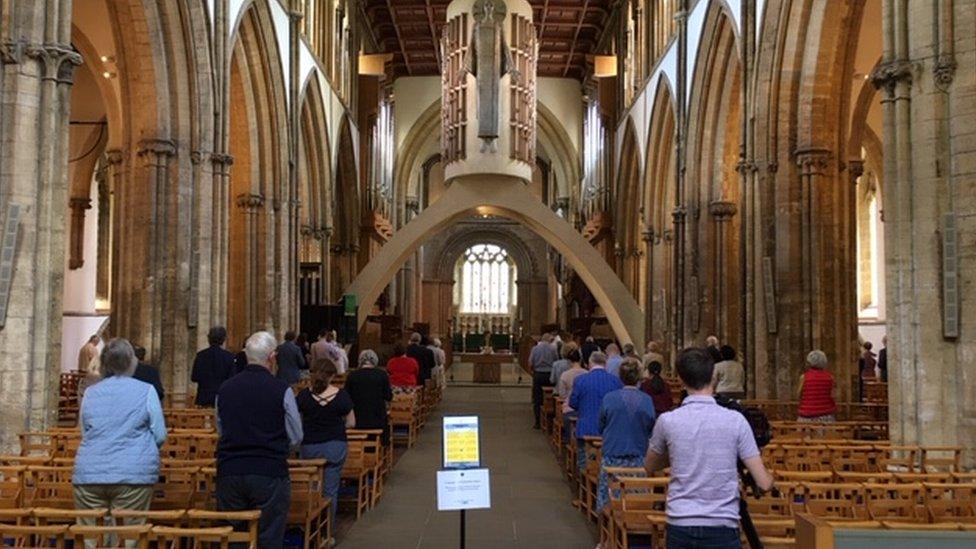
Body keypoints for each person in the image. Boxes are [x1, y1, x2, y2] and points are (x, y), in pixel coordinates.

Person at [645, 347, 773, 549]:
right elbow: (764, 483)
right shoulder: (735, 421)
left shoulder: (668, 421)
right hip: (721, 523)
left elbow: (650, 465)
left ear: (680, 380)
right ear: (714, 377)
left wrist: (677, 452)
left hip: (681, 522)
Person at [215, 331, 302, 549]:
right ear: (272, 357)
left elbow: (221, 429)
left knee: (234, 536)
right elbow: (296, 436)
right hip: (269, 471)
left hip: (230, 471)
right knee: (268, 535)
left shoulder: (224, 389)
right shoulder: (281, 390)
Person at [73, 338, 167, 535]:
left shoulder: (91, 393)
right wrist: (141, 451)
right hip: (133, 473)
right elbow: (159, 434)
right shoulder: (146, 391)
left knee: (91, 537)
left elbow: (84, 432)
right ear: (131, 362)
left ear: (105, 364)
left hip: (90, 471)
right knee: (127, 535)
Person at [296, 357, 354, 538]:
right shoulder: (341, 395)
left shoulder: (304, 396)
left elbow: (296, 423)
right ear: (331, 376)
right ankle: (326, 534)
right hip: (334, 446)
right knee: (330, 491)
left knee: (312, 489)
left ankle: (309, 529)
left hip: (310, 446)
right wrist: (336, 429)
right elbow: (352, 422)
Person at [597, 358, 656, 511]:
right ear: (639, 377)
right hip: (637, 453)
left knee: (610, 494)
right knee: (635, 496)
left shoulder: (610, 398)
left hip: (613, 452)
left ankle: (607, 518)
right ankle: (635, 517)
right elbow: (651, 426)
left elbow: (601, 424)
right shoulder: (647, 400)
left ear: (620, 377)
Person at [566, 351, 622, 475]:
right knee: (606, 464)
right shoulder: (616, 381)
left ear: (590, 363)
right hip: (608, 430)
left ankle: (582, 486)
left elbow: (573, 403)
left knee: (584, 462)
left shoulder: (580, 380)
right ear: (605, 363)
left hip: (586, 427)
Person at [345, 350, 394, 444]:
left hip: (357, 419)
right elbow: (388, 396)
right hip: (377, 420)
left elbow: (346, 398)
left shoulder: (352, 376)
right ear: (375, 360)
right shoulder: (382, 375)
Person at [191, 326, 236, 407]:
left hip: (204, 397)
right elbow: (232, 378)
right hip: (222, 397)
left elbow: (194, 377)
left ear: (209, 338)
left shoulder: (201, 356)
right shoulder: (229, 357)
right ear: (223, 339)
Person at [797, 350, 837, 422]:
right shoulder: (830, 377)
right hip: (825, 416)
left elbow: (799, 394)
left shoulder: (804, 377)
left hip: (806, 417)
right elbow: (833, 396)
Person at [529, 333, 559, 429]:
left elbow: (530, 362)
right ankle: (550, 421)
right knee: (550, 396)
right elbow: (556, 361)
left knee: (537, 399)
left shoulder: (535, 349)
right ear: (549, 340)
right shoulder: (553, 348)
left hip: (538, 374)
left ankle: (537, 422)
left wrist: (533, 371)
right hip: (549, 374)